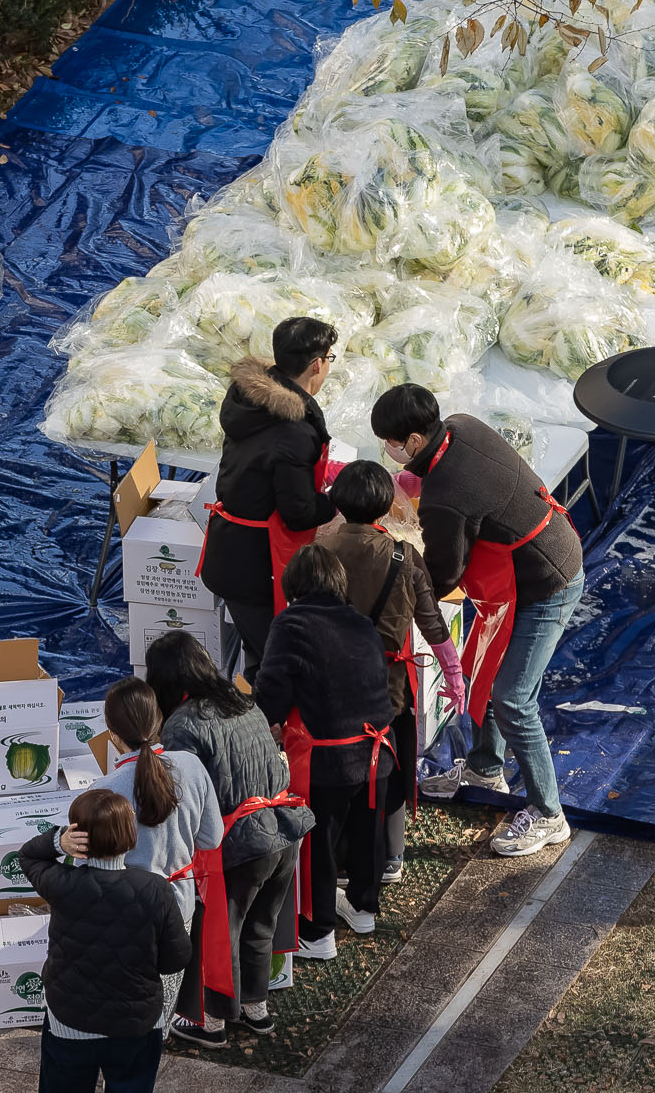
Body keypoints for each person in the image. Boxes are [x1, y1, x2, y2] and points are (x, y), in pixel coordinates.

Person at [371, 384, 584, 859]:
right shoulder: (462, 425)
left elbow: (444, 573)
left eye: (390, 441)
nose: (388, 450)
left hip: (548, 583)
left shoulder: (447, 493)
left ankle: (550, 814)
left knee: (513, 697)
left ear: (412, 440)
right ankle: (486, 768)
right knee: (488, 669)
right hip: (535, 559)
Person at [22, 790, 192, 1093]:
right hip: (134, 1029)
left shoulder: (62, 883)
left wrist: (58, 841)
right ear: (129, 836)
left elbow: (27, 855)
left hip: (69, 1026)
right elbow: (177, 956)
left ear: (81, 838)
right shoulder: (155, 890)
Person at [146, 631, 312, 1045]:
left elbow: (185, 797)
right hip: (285, 827)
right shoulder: (244, 701)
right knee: (261, 924)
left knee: (217, 930)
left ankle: (211, 1020)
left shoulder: (182, 724)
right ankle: (257, 1009)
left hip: (238, 839)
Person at [315, 460, 466, 883]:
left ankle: (339, 860)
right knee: (391, 770)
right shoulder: (404, 556)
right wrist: (454, 675)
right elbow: (432, 622)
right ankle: (391, 858)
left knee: (339, 768)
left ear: (337, 503)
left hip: (332, 685)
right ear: (385, 507)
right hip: (390, 686)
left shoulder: (318, 550)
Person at [249, 545, 394, 960]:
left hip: (330, 759)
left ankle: (318, 932)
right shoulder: (360, 621)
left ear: (292, 585)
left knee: (318, 846)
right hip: (378, 753)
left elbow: (272, 690)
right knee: (368, 834)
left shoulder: (291, 623)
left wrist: (265, 724)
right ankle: (365, 907)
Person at [197, 316, 340, 671]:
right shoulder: (293, 431)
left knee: (259, 651)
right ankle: (262, 723)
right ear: (317, 364)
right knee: (274, 662)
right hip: (256, 565)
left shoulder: (247, 397)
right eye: (329, 359)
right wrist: (338, 500)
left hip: (229, 549)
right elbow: (299, 511)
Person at [90, 678, 224, 920]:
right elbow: (211, 839)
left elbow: (91, 867)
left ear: (112, 734)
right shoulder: (191, 765)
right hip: (181, 906)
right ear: (158, 720)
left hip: (129, 911)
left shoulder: (103, 789)